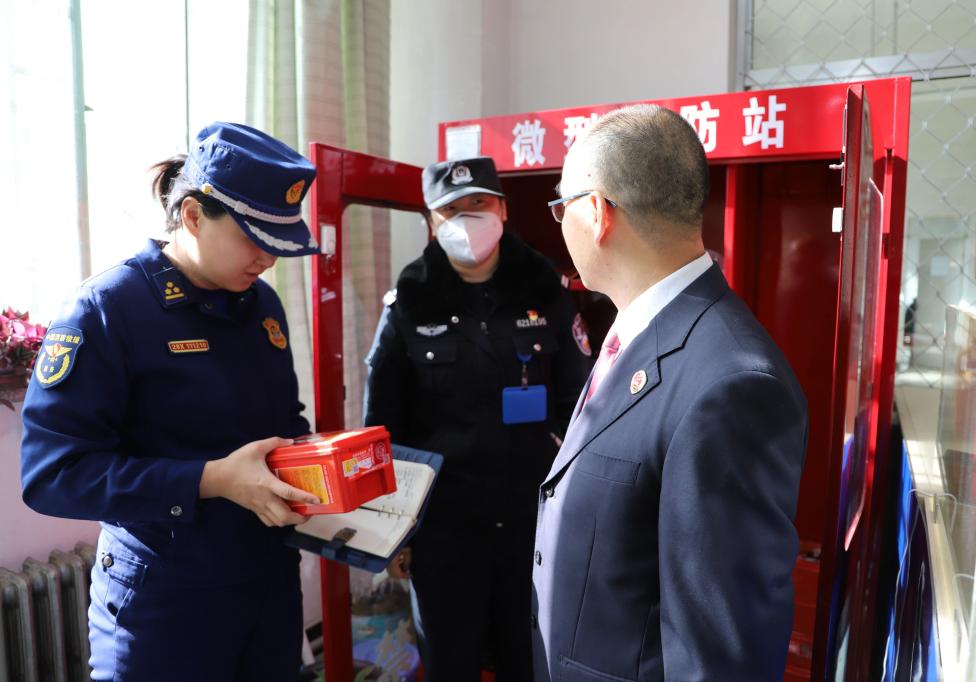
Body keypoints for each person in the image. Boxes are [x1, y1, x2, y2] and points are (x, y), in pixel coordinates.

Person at [20, 122, 324, 682]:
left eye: (278, 245)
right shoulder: (108, 309)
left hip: (267, 583)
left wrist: (327, 469)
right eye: (254, 239)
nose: (268, 260)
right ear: (192, 216)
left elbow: (285, 423)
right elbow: (53, 476)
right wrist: (212, 479)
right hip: (166, 600)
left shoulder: (261, 305)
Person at [532, 105, 809, 681]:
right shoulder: (636, 331)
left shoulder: (730, 385)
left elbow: (720, 657)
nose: (560, 223)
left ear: (597, 213)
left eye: (562, 207)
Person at [363, 156, 592, 681]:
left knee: (531, 662)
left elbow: (583, 404)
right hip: (444, 529)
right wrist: (394, 531)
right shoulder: (409, 303)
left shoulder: (546, 290)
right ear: (431, 221)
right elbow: (383, 427)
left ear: (503, 210)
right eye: (451, 210)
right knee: (451, 664)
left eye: (479, 204)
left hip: (534, 524)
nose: (467, 219)